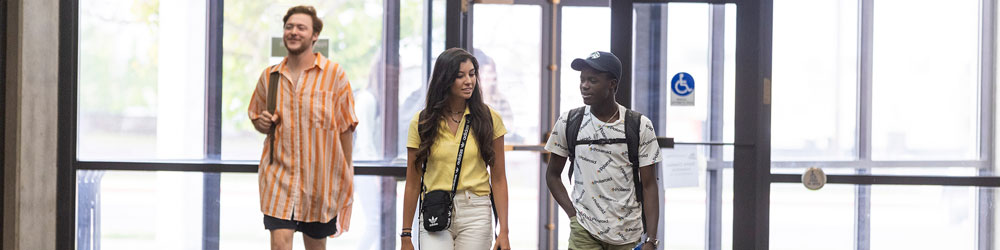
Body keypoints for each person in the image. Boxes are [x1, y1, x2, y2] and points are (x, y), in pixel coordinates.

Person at [247, 5, 358, 250]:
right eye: (289, 27)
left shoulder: (334, 75)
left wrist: (347, 173)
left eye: (301, 27)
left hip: (320, 184)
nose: (293, 32)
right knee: (279, 245)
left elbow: (345, 128)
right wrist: (260, 122)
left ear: (314, 35)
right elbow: (256, 116)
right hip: (278, 179)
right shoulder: (270, 77)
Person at [544, 51, 662, 250]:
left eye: (592, 80)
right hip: (584, 232)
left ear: (612, 84)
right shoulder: (569, 121)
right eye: (582, 79)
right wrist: (574, 216)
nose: (584, 85)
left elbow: (649, 185)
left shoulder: (639, 125)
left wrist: (651, 239)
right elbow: (553, 175)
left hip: (627, 233)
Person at [399, 48, 512, 250]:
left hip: (476, 210)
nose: (468, 81)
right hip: (435, 208)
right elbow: (413, 182)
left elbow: (499, 178)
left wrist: (504, 230)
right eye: (460, 76)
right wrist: (405, 235)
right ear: (445, 78)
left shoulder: (489, 118)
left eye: (472, 74)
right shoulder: (422, 122)